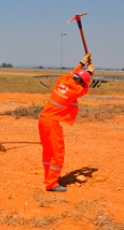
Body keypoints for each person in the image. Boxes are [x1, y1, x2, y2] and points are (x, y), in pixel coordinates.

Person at [38, 53, 95, 192]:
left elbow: (72, 74)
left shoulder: (62, 81)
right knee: (58, 153)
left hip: (42, 120)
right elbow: (85, 88)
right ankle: (52, 184)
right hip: (52, 123)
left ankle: (48, 177)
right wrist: (90, 72)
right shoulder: (74, 91)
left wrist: (82, 64)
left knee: (48, 152)